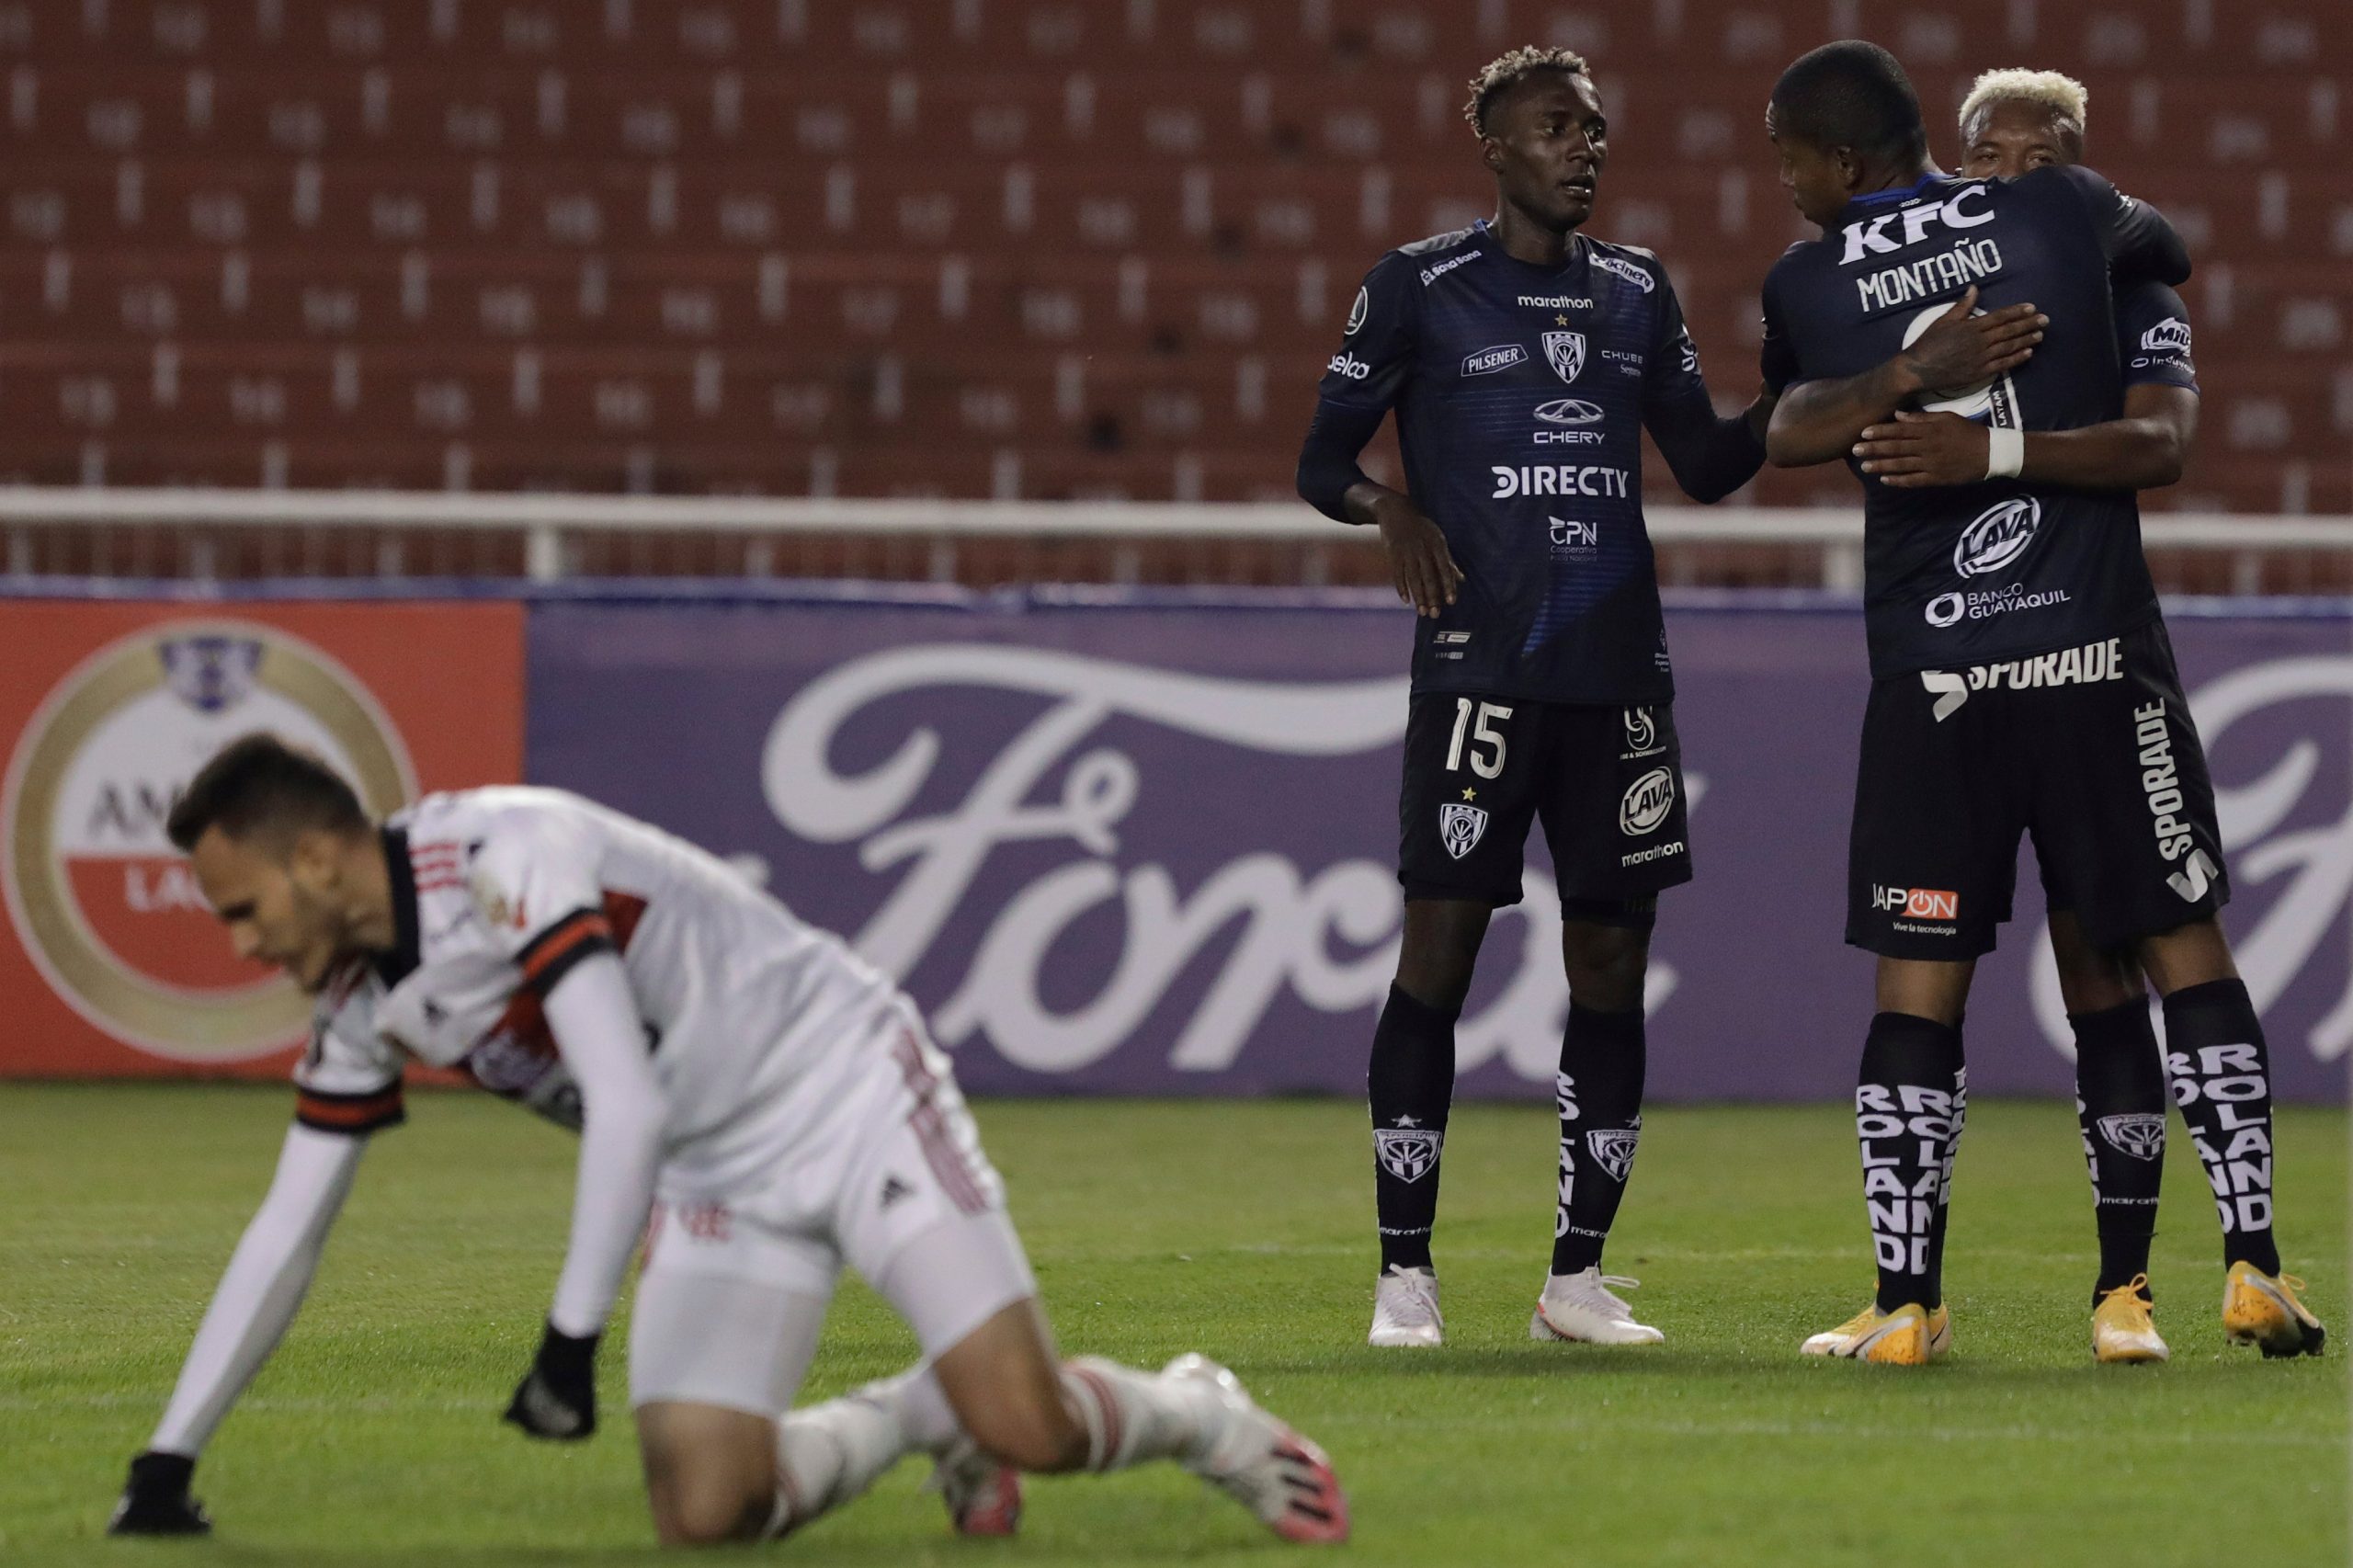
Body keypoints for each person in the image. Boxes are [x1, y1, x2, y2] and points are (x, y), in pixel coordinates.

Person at [107, 734, 1348, 1545]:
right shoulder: (358, 1001)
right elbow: (289, 1226)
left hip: (843, 1082)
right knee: (710, 1509)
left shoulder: (504, 854)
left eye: (244, 907)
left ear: (317, 858)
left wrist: (568, 1338)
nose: (243, 943)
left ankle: (1200, 1412)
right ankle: (924, 1413)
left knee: (1036, 1424)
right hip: (713, 1167)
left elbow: (623, 1101)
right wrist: (167, 1460)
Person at [1756, 39, 2324, 1366]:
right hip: (2015, 665)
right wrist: (1928, 368)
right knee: (2084, 960)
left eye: (2044, 157)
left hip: (2012, 667)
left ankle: (2176, 1273)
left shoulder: (1825, 276)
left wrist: (1965, 432)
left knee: (2062, 967)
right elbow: (1794, 423)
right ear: (1948, 150)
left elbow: (1784, 430)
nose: (2017, 172)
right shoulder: (2061, 225)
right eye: (1989, 150)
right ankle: (1956, 1290)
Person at [1295, 44, 1774, 1350]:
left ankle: (1578, 1277)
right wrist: (1389, 508)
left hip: (1618, 677)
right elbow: (1319, 460)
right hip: (1481, 675)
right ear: (1495, 150)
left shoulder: (1635, 292)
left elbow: (1713, 464)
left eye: (1596, 128)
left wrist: (1813, 387)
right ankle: (1406, 1274)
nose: (1586, 147)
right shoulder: (1419, 288)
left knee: (1612, 964)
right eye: (1557, 129)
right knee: (1437, 959)